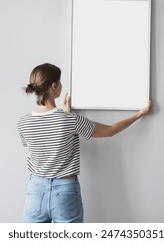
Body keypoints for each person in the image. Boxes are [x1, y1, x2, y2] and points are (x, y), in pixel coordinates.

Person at [17, 63, 152, 223]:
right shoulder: (69, 120)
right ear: (54, 86)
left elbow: (47, 143)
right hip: (64, 191)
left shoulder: (23, 122)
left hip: (35, 191)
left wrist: (66, 114)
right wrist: (139, 114)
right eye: (60, 82)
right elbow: (110, 131)